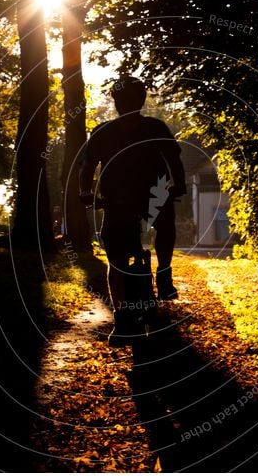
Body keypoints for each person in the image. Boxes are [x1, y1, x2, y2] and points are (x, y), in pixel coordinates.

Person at [79, 76, 186, 343]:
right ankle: (162, 274)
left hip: (131, 198)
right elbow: (89, 165)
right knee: (130, 247)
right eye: (122, 99)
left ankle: (131, 306)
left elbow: (88, 167)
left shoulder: (109, 130)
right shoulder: (153, 127)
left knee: (116, 259)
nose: (124, 103)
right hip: (133, 198)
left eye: (126, 99)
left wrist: (85, 192)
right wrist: (179, 185)